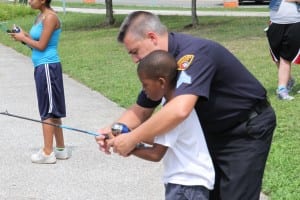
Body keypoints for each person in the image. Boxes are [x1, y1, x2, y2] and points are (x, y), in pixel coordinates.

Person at [96, 11, 276, 200]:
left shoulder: (194, 54)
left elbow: (179, 110)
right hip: (213, 133)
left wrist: (132, 138)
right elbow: (142, 109)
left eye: (134, 51)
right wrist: (114, 130)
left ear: (152, 37)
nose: (134, 59)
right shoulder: (160, 66)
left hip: (244, 130)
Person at [129, 50, 214, 200]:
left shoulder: (172, 112)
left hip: (185, 185)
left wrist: (129, 148)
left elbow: (156, 154)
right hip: (189, 184)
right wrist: (129, 136)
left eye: (145, 85)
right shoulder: (173, 103)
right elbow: (158, 137)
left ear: (162, 82)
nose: (143, 90)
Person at [10, 0, 71, 164]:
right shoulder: (41, 16)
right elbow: (36, 44)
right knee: (52, 109)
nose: (29, 0)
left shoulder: (50, 17)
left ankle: (47, 152)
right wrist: (24, 38)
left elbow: (42, 46)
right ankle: (60, 149)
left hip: (47, 67)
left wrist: (24, 37)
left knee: (48, 110)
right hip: (42, 66)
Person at [266, 0, 300, 100]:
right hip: (276, 22)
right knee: (278, 57)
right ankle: (286, 83)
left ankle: (282, 89)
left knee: (286, 57)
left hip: (295, 22)